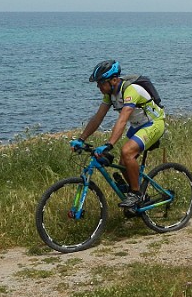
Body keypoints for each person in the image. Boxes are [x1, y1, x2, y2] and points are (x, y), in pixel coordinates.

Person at [70, 60, 166, 211]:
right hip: (138, 126)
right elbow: (98, 117)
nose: (98, 87)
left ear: (114, 80)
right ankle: (139, 194)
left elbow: (123, 119)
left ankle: (136, 194)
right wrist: (81, 139)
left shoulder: (131, 90)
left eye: (101, 83)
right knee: (123, 162)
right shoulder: (110, 94)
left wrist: (109, 144)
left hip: (154, 124)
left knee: (127, 152)